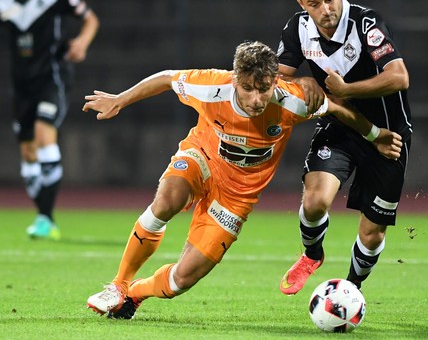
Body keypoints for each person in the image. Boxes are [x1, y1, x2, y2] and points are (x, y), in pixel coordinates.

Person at [83, 41, 402, 319]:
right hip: (202, 160)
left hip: (236, 197)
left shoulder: (291, 100)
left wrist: (376, 136)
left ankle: (135, 293)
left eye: (263, 88)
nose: (255, 98)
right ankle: (118, 284)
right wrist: (119, 100)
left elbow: (336, 107)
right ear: (236, 80)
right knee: (167, 201)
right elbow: (167, 78)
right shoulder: (212, 87)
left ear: (273, 81)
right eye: (248, 88)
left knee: (182, 279)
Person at [277, 0, 413, 295]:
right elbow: (278, 76)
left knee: (372, 233)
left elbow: (399, 77)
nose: (325, 10)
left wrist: (347, 89)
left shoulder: (366, 23)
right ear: (302, 5)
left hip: (388, 136)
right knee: (314, 201)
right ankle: (312, 254)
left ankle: (350, 290)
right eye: (314, 4)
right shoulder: (297, 29)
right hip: (339, 127)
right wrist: (304, 81)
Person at [0, 0, 99, 240]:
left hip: (52, 77)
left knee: (45, 135)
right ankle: (44, 215)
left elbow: (90, 19)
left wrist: (81, 42)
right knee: (28, 153)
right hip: (21, 84)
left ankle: (45, 217)